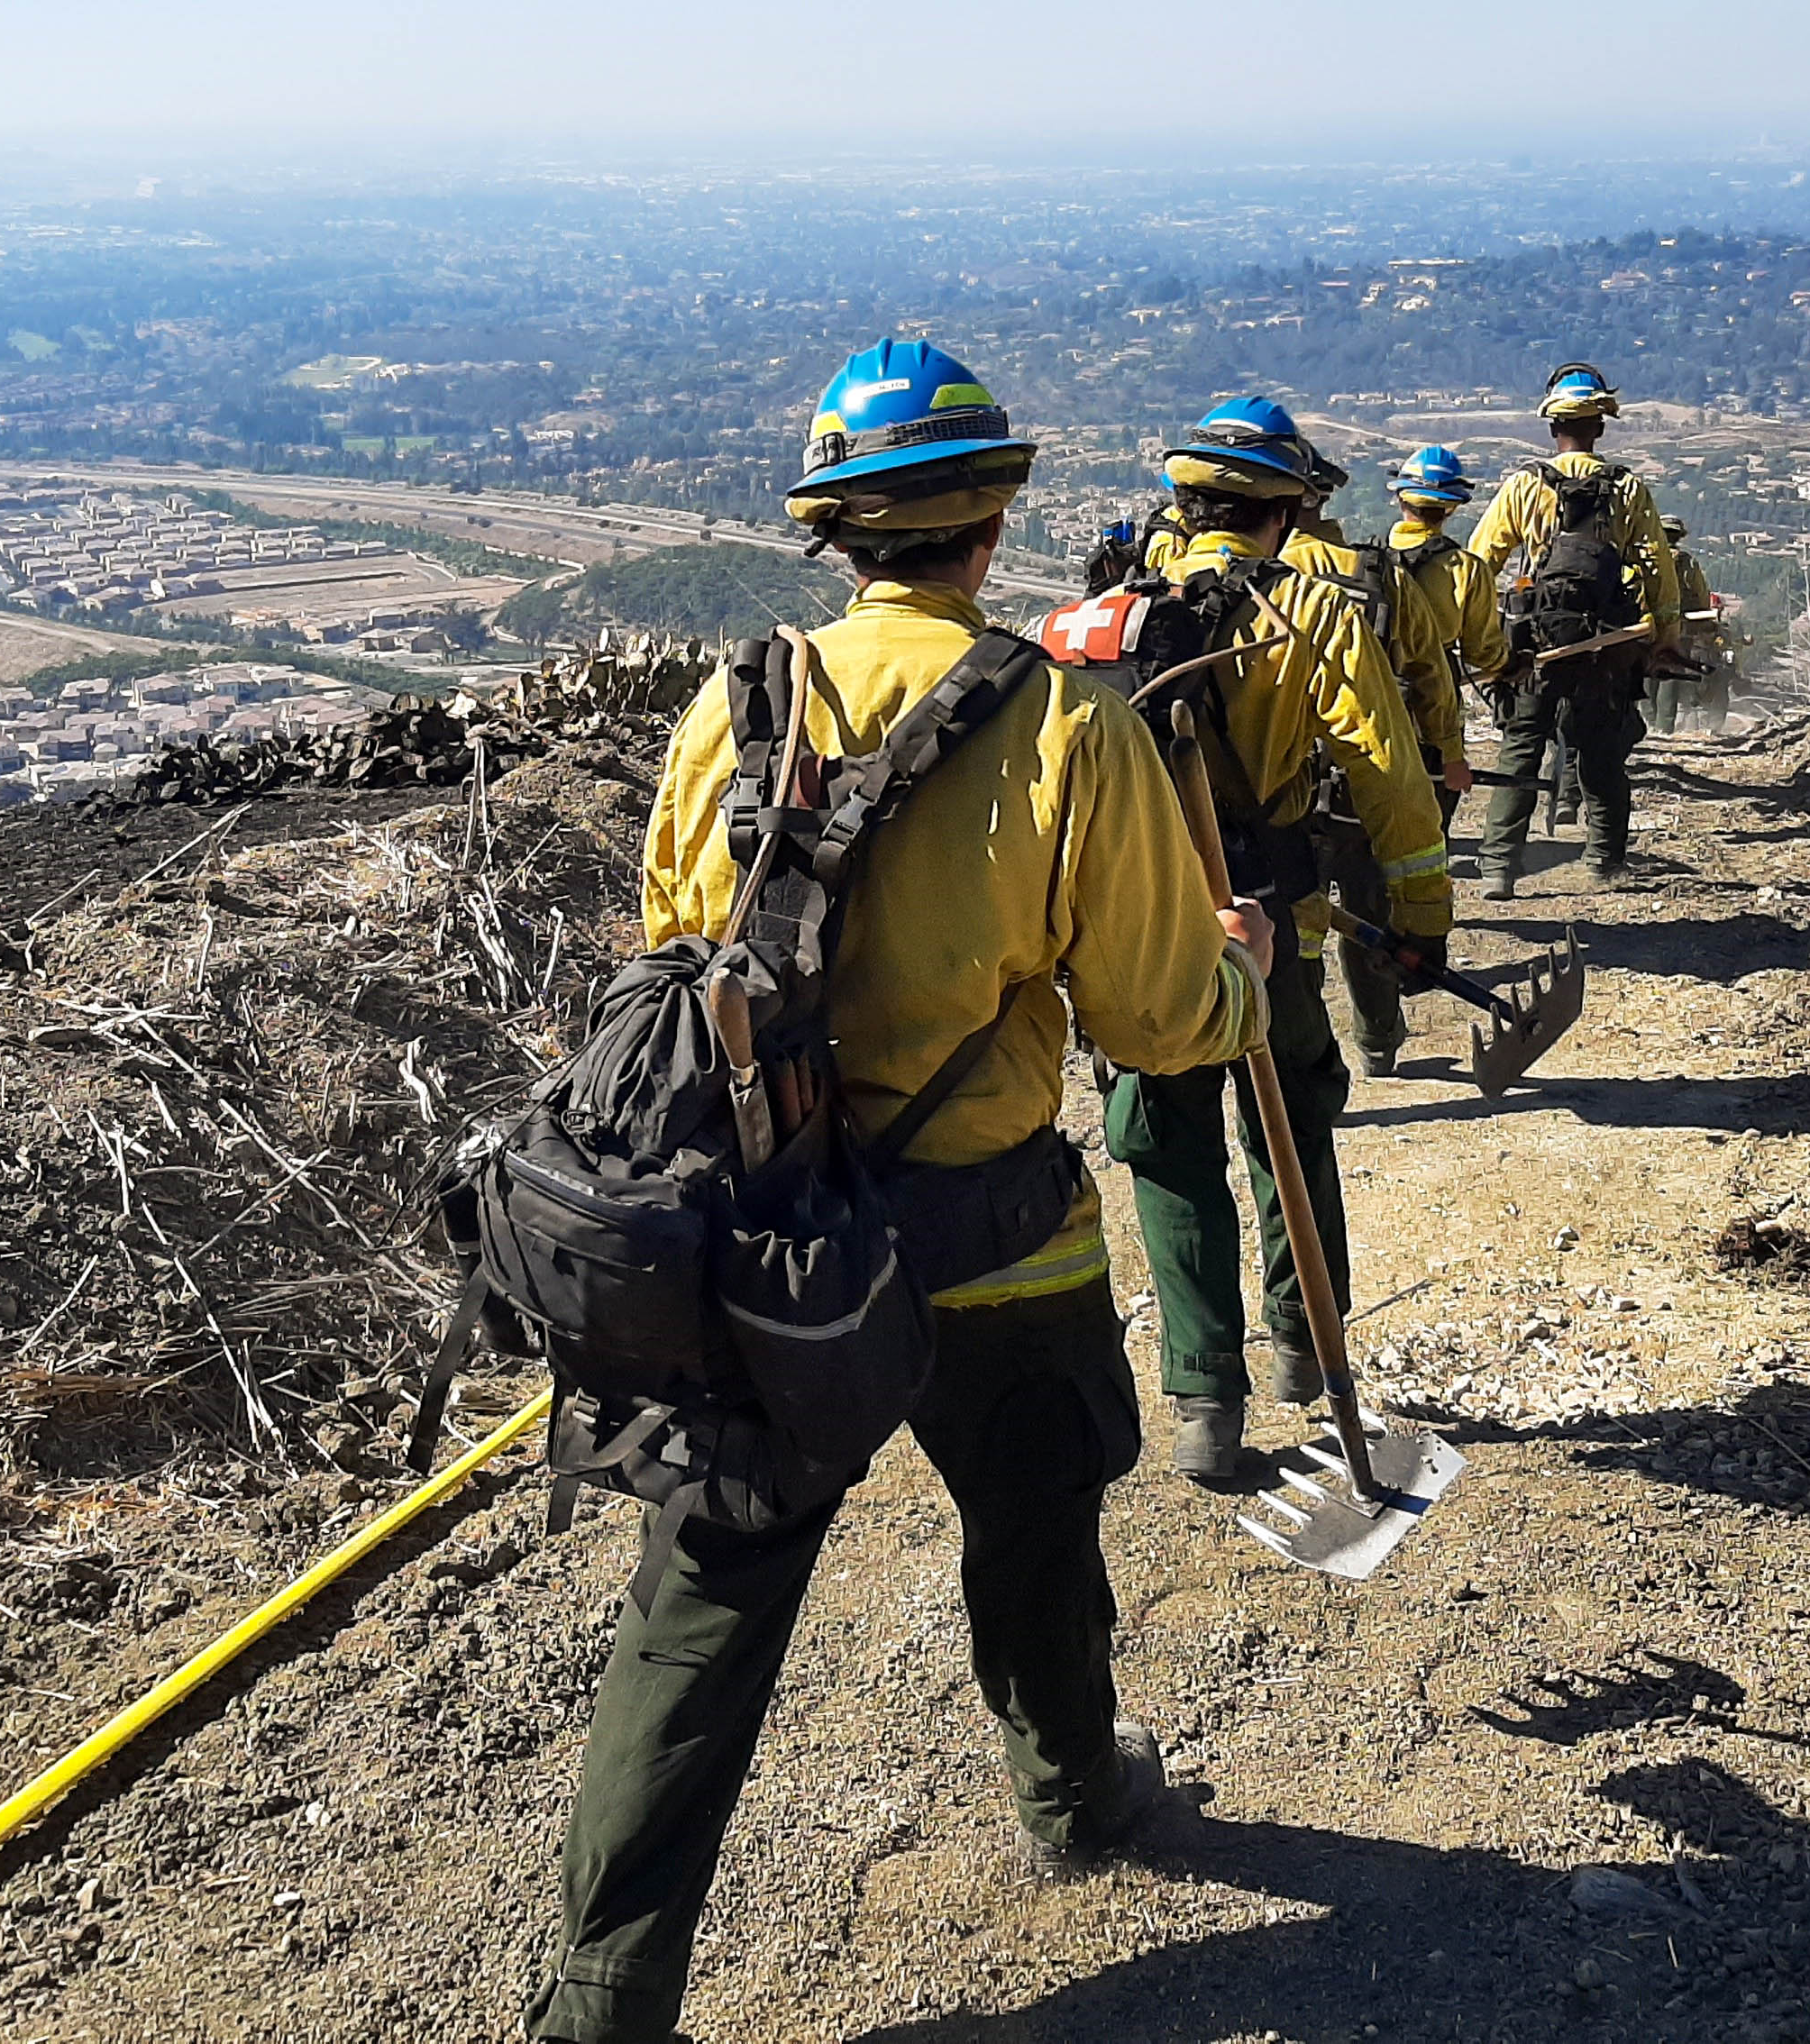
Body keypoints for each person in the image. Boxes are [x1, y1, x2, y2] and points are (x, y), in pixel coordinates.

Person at [531, 339, 1277, 2044]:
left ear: (834, 531)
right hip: (989, 1243)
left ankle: (598, 2004)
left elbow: (671, 958)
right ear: (993, 515)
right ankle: (1075, 1791)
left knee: (704, 1606)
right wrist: (1232, 974)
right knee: (1029, 1525)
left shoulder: (734, 709)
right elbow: (1161, 1023)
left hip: (760, 1250)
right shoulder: (1068, 722)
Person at [1098, 399, 1451, 1481]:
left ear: (1181, 500)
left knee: (1166, 1144)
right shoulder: (1313, 612)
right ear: (1289, 507)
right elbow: (1393, 785)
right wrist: (1419, 926)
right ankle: (1307, 1348)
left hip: (1148, 938)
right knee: (1290, 1126)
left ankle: (1205, 1398)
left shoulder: (1110, 616)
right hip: (1279, 931)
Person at [1464, 362, 1678, 890]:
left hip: (1535, 644)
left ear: (1552, 428)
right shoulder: (1627, 488)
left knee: (1521, 746)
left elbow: (1477, 563)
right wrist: (1663, 635)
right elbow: (1656, 568)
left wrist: (1477, 635)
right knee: (1601, 751)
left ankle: (1498, 867)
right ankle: (1603, 859)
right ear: (1600, 427)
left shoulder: (1523, 486)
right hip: (1605, 644)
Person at [1330, 445, 1505, 1075]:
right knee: (1388, 881)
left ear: (1400, 498)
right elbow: (1475, 658)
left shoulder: (1358, 568)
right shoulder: (1466, 571)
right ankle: (1386, 1018)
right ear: (1455, 505)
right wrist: (1454, 753)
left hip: (1345, 745)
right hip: (1424, 746)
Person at [1649, 513, 1738, 735]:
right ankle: (1663, 726)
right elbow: (1699, 595)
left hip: (1647, 625)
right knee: (1671, 672)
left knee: (1645, 672)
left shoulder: (1645, 558)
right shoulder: (1687, 562)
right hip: (1681, 628)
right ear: (1678, 537)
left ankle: (1648, 721)